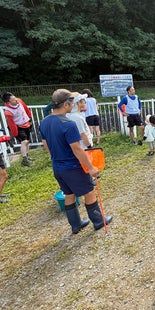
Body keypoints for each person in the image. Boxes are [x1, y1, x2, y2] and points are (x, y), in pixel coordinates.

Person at [40, 89, 113, 234]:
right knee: (89, 192)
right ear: (66, 104)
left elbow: (45, 145)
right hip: (73, 167)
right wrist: (90, 168)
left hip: (57, 167)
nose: (73, 105)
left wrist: (55, 156)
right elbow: (77, 149)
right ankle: (98, 221)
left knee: (69, 194)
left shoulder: (44, 122)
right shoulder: (68, 124)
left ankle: (76, 225)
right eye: (71, 103)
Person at [1, 92, 33, 167]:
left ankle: (27, 156)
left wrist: (30, 118)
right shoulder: (8, 112)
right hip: (18, 126)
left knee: (27, 141)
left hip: (26, 123)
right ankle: (24, 160)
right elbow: (11, 124)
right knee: (24, 141)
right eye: (13, 99)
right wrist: (15, 133)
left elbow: (26, 109)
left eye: (15, 97)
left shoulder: (19, 101)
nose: (16, 100)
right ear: (8, 102)